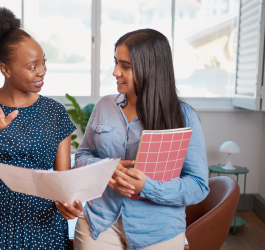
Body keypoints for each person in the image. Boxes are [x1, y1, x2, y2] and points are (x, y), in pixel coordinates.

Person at [0, 6, 82, 250]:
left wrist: (68, 204)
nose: (42, 72)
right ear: (6, 69)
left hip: (41, 223)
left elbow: (63, 182)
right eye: (32, 67)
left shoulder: (55, 112)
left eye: (43, 62)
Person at [73, 29, 209, 250]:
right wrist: (105, 169)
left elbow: (198, 185)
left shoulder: (184, 117)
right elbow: (81, 156)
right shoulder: (104, 106)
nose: (115, 72)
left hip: (158, 229)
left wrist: (147, 187)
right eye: (116, 62)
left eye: (125, 66)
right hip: (101, 220)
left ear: (151, 67)